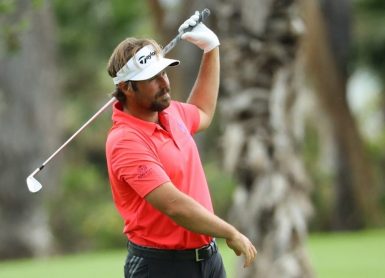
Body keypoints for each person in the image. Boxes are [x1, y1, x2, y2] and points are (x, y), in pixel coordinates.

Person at [105, 11, 257, 278]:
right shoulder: (125, 142)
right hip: (161, 267)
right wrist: (230, 232)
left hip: (207, 260)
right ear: (128, 88)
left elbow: (203, 111)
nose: (165, 83)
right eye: (153, 78)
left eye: (164, 72)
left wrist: (211, 50)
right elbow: (174, 205)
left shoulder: (169, 113)